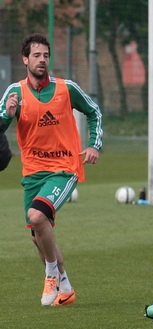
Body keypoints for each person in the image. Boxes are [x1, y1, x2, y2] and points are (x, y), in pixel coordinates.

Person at [0, 33, 103, 306]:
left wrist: (94, 145)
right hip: (32, 172)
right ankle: (65, 287)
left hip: (64, 167)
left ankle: (50, 275)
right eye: (36, 55)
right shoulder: (14, 93)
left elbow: (94, 111)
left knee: (36, 216)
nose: (42, 60)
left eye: (46, 55)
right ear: (25, 59)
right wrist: (6, 117)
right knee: (38, 235)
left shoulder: (66, 88)